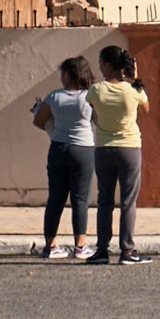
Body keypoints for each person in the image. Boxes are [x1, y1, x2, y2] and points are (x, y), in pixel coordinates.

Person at [87, 45, 150, 265]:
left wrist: (103, 124)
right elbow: (146, 109)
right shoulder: (133, 90)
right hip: (129, 147)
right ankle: (128, 251)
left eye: (101, 62)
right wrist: (134, 78)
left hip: (103, 148)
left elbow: (92, 113)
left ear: (108, 65)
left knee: (104, 200)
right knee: (128, 202)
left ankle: (102, 251)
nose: (99, 66)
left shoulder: (96, 90)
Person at [30, 55, 97, 260]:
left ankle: (50, 246)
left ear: (68, 74)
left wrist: (55, 128)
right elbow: (98, 120)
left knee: (56, 198)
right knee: (80, 199)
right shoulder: (89, 97)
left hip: (58, 148)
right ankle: (80, 246)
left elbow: (39, 121)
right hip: (83, 149)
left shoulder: (54, 97)